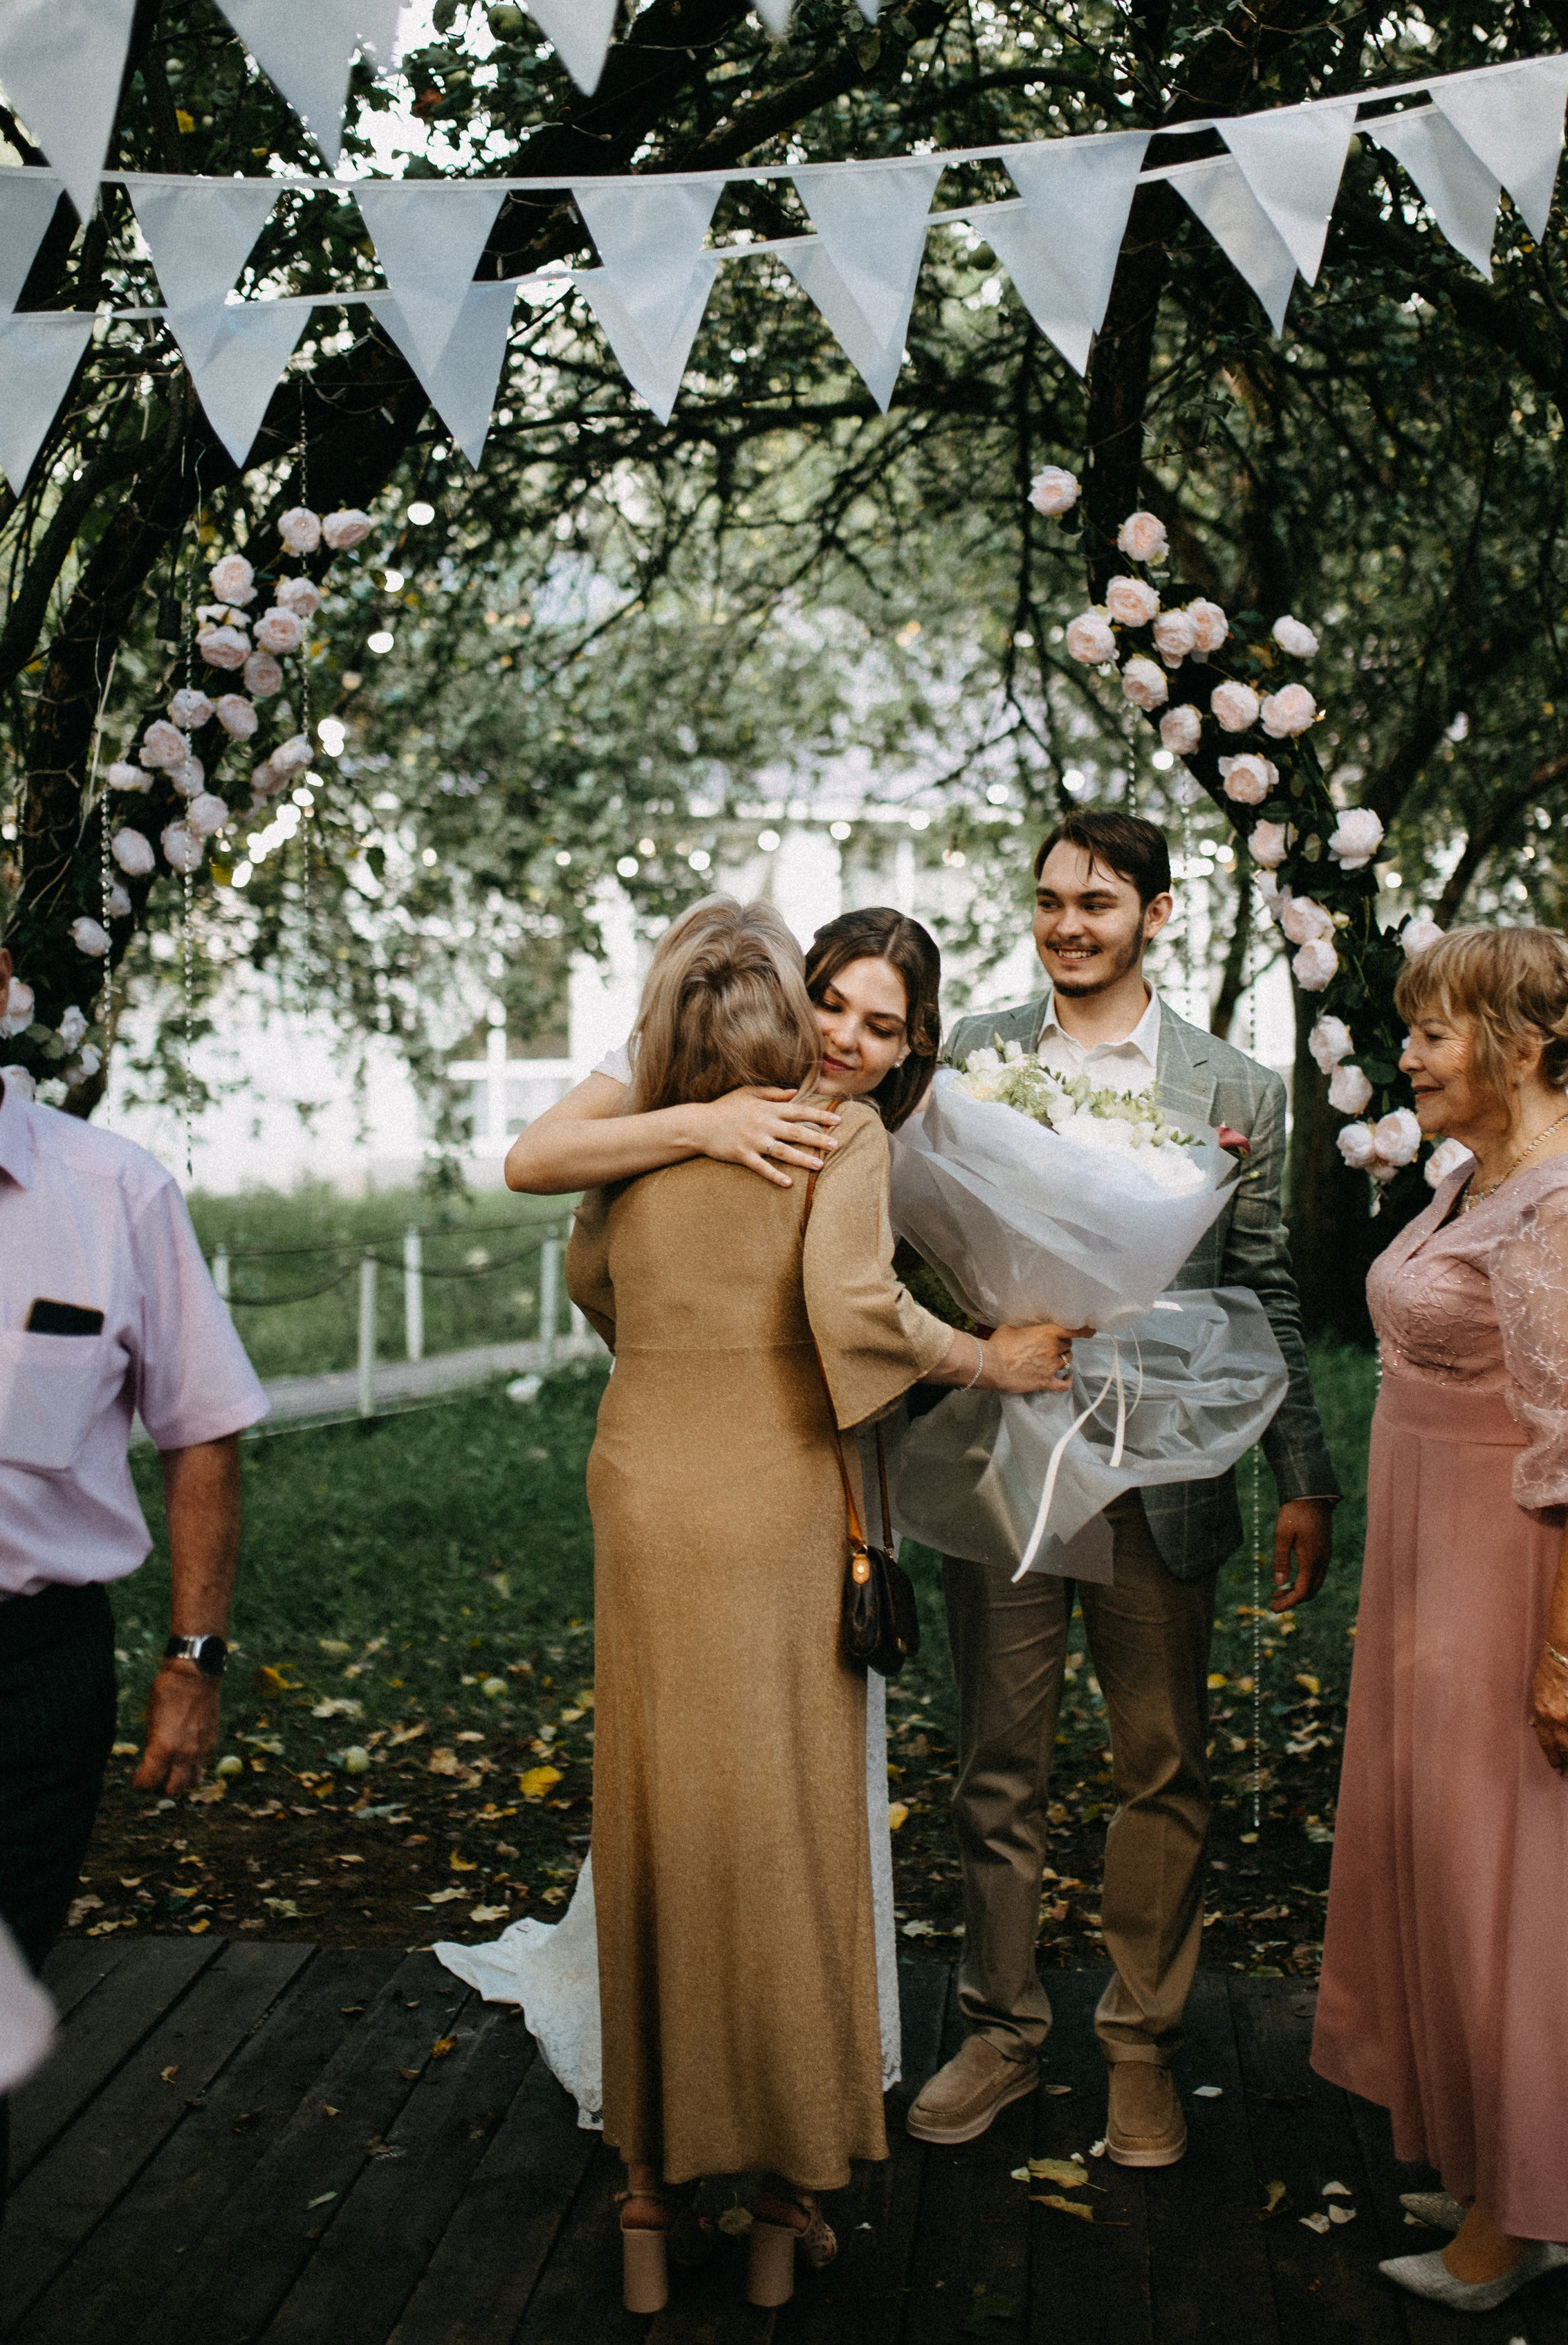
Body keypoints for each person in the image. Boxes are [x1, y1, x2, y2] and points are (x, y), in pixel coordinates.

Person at [562, 896, 1076, 2315]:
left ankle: (648, 2204)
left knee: (653, 1819)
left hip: (637, 1488)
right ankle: (785, 2202)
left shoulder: (650, 1130)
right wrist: (987, 1355)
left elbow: (590, 1282)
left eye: (881, 1026)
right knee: (787, 1827)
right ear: (791, 1000)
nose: (851, 1042)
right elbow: (852, 1311)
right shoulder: (833, 1137)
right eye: (833, 1006)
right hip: (773, 1500)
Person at [909, 809, 1338, 2162]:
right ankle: (999, 2030)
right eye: (1047, 900)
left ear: (1154, 912)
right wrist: (981, 1342)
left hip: (1169, 1468)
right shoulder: (968, 1058)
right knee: (997, 1764)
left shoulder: (1237, 1092)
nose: (1064, 924)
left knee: (1161, 1765)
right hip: (1012, 1458)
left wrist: (1302, 1475)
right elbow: (917, 1246)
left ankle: (1139, 2043)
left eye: (1094, 902)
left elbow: (1262, 1284)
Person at [1311, 925, 1568, 2315]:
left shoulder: (1565, 1208)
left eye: (1429, 1031)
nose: (1403, 1055)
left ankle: (1526, 2213)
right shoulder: (1487, 1176)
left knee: (1514, 1882)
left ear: (1517, 1046)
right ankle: (1499, 2156)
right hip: (1443, 1575)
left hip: (1522, 1589)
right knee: (1461, 1875)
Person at [0, 858, 267, 2335]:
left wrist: (192, 1657)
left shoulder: (114, 1190)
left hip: (24, 1684)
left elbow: (200, 1430)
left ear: (1, 990)